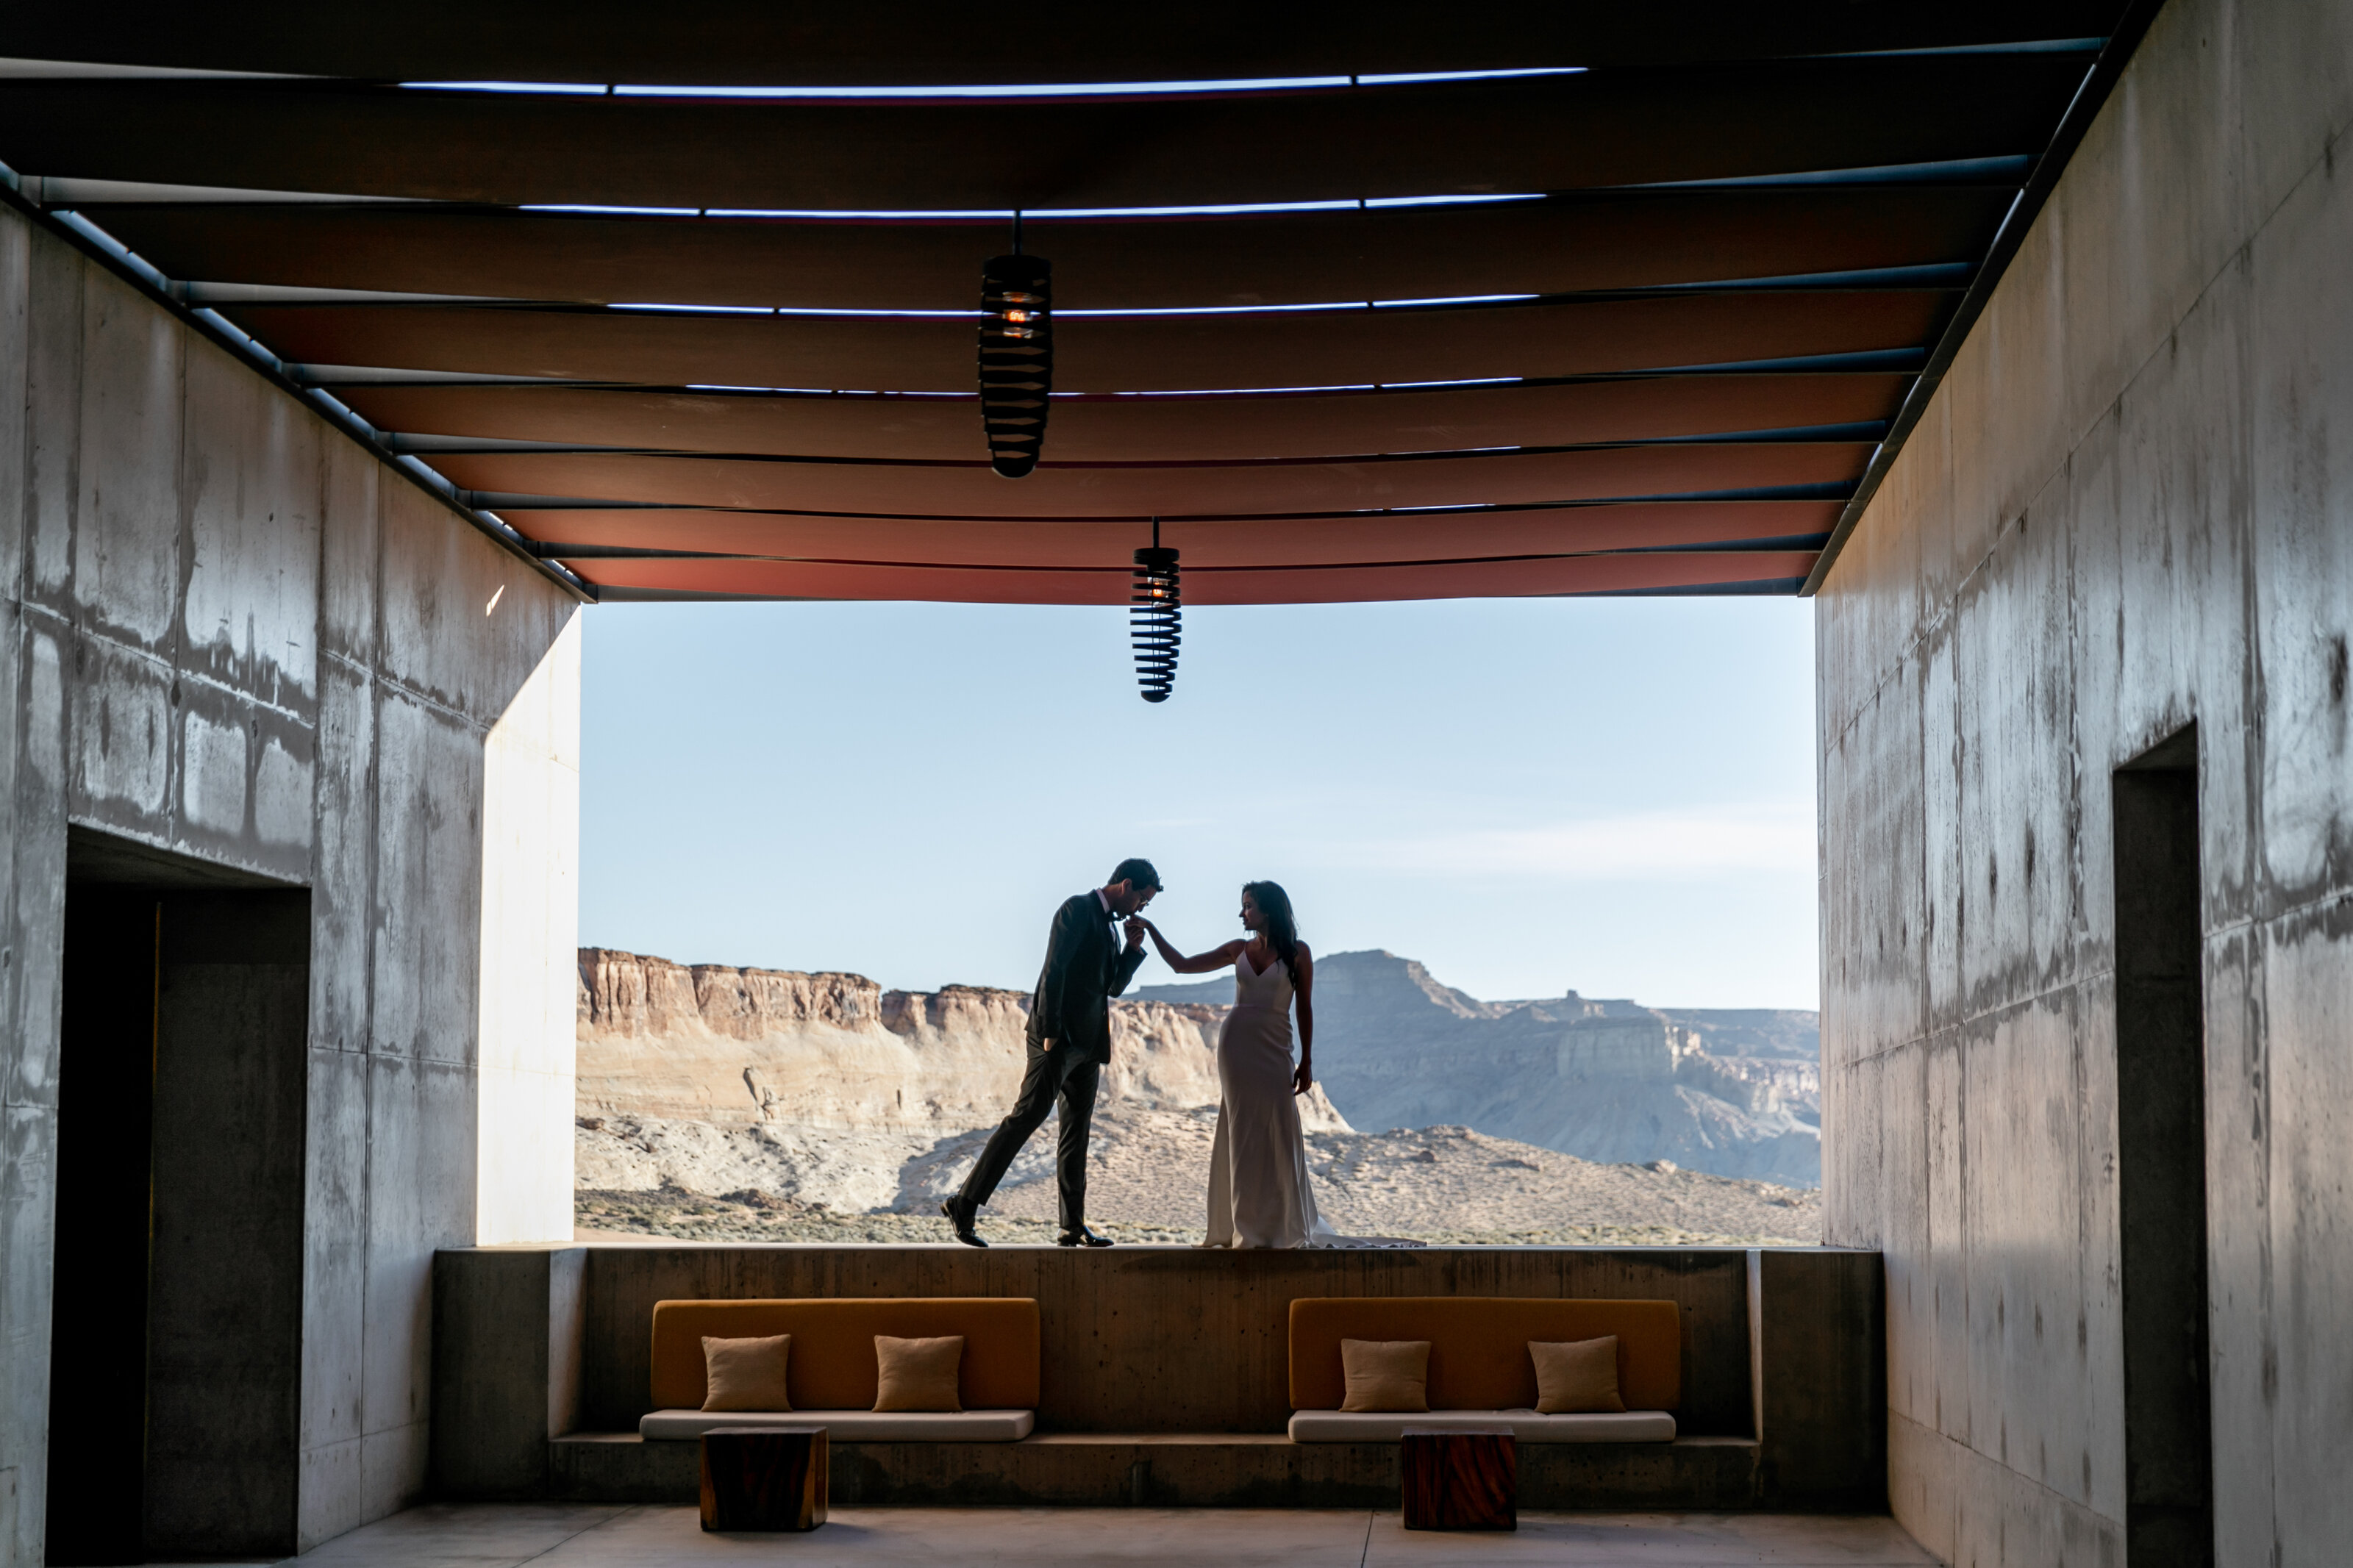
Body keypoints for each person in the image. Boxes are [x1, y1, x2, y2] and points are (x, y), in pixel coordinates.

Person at [943, 859, 1159, 1247]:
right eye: (1143, 899)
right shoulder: (1076, 909)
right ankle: (965, 1203)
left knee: (1077, 1135)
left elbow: (1113, 988)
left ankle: (1071, 1225)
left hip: (1089, 1048)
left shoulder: (1113, 931)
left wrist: (1131, 949)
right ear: (1126, 885)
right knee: (1026, 1117)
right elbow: (1053, 972)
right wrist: (1051, 1034)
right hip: (1056, 1040)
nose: (1142, 909)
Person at [1140, 880, 1354, 1249]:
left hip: (1275, 1047)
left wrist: (1307, 1059)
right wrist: (1151, 930)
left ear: (1268, 909)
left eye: (1249, 905)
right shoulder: (1237, 949)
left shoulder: (1299, 953)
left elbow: (1304, 1006)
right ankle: (1243, 1227)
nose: (1242, 913)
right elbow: (1181, 966)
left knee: (1278, 1129)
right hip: (1237, 1046)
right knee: (1240, 1132)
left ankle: (1284, 1223)